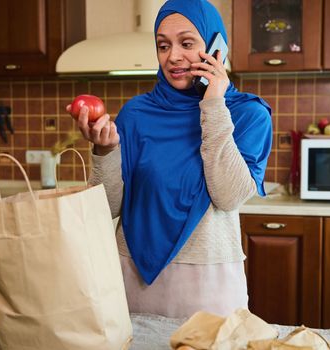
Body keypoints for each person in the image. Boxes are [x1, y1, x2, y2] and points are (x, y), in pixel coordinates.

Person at [68, 0, 272, 319]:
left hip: (207, 280)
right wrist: (104, 152)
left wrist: (214, 104)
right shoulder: (136, 113)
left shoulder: (249, 114)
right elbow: (105, 208)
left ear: (216, 47)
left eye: (187, 43)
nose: (173, 56)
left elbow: (228, 196)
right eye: (163, 45)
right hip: (131, 275)